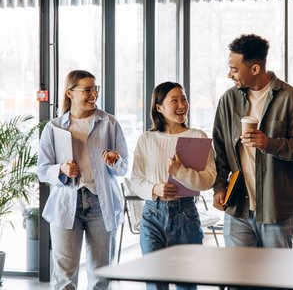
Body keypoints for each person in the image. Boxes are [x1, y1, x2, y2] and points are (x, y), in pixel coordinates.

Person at [212, 34, 293, 249]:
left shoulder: (292, 98)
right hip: (237, 207)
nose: (229, 74)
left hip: (276, 209)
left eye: (234, 69)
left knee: (276, 278)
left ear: (255, 69)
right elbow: (220, 148)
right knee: (238, 278)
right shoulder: (228, 100)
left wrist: (269, 143)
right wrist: (219, 186)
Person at [37, 70, 128, 290]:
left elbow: (123, 167)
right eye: (87, 90)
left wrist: (115, 161)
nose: (93, 95)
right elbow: (42, 170)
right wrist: (61, 169)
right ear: (70, 93)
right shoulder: (54, 127)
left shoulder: (109, 123)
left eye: (95, 89)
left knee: (101, 275)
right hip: (66, 203)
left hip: (101, 203)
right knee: (65, 276)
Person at [130, 81, 216, 290]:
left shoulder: (197, 137)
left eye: (184, 99)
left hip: (185, 214)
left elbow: (209, 179)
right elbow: (135, 180)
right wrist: (154, 189)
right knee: (154, 282)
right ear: (159, 107)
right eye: (174, 100)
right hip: (152, 215)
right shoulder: (146, 139)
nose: (182, 105)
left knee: (186, 283)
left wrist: (180, 171)